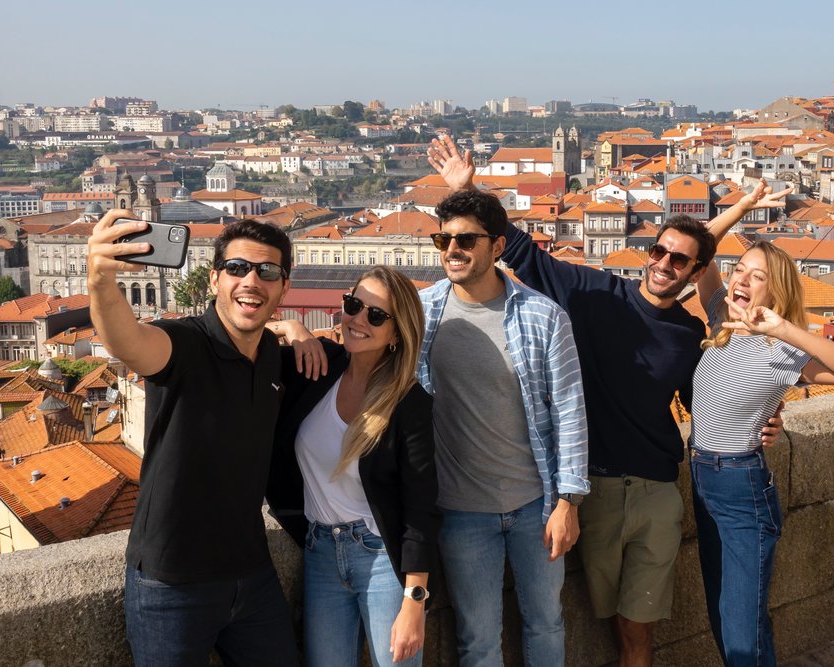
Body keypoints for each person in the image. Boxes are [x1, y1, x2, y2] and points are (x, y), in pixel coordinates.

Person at [426, 135, 789, 666]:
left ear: (694, 274)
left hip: (657, 489)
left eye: (679, 260)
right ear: (648, 255)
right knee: (603, 624)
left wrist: (767, 419)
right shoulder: (594, 294)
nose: (665, 263)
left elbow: (709, 403)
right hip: (591, 487)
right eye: (658, 251)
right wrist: (468, 188)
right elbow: (518, 250)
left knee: (634, 630)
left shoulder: (690, 334)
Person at [87, 213, 300, 666]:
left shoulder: (272, 360)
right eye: (238, 268)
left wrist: (296, 332)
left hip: (252, 573)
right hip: (172, 583)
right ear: (214, 279)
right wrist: (101, 281)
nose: (252, 281)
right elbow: (128, 342)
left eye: (268, 272)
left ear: (284, 288)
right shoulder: (183, 343)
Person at [418, 188, 589, 667]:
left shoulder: (542, 315)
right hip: (459, 511)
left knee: (547, 623)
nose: (453, 249)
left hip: (535, 504)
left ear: (497, 246)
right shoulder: (421, 313)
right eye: (444, 239)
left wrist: (568, 503)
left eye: (467, 240)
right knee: (478, 638)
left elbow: (570, 411)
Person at [689, 238, 834, 664]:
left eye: (759, 277)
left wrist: (784, 328)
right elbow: (703, 246)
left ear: (776, 292)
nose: (742, 281)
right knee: (724, 611)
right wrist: (748, 204)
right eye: (740, 271)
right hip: (702, 478)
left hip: (741, 487)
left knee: (741, 623)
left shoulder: (783, 349)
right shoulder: (720, 320)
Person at [265, 266, 441, 667]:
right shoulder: (317, 366)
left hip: (380, 559)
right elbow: (239, 344)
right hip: (320, 552)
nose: (359, 320)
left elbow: (421, 507)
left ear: (398, 333)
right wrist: (289, 325)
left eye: (376, 316)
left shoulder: (409, 403)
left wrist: (415, 601)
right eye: (354, 305)